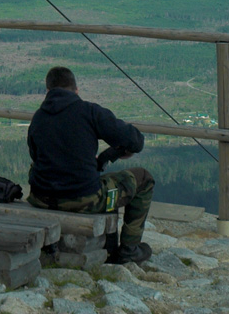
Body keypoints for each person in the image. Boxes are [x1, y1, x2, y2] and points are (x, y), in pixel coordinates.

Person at [27, 66, 154, 265]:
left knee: (105, 183)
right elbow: (136, 141)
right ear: (76, 90)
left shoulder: (38, 117)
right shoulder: (89, 111)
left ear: (48, 91)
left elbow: (35, 156)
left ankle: (108, 247)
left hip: (41, 197)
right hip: (82, 199)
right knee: (143, 178)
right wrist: (117, 151)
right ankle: (129, 249)